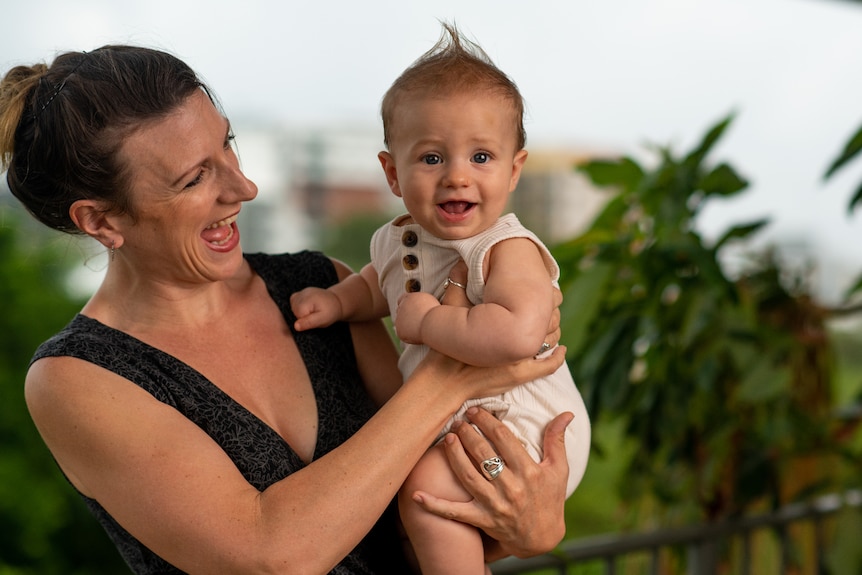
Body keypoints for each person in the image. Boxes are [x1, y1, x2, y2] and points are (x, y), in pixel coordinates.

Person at [0, 45, 575, 574]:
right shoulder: (77, 379)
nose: (243, 187)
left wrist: (525, 522)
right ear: (101, 220)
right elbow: (271, 557)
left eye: (227, 145)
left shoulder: (320, 286)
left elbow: (425, 504)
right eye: (195, 177)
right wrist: (449, 377)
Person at [289, 23, 591, 575]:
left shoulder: (506, 248)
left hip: (523, 425)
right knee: (421, 498)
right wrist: (336, 302)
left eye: (481, 157)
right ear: (392, 172)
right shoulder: (394, 239)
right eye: (431, 159)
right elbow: (377, 287)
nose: (457, 176)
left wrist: (428, 324)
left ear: (514, 169)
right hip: (466, 421)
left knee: (425, 489)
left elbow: (519, 335)